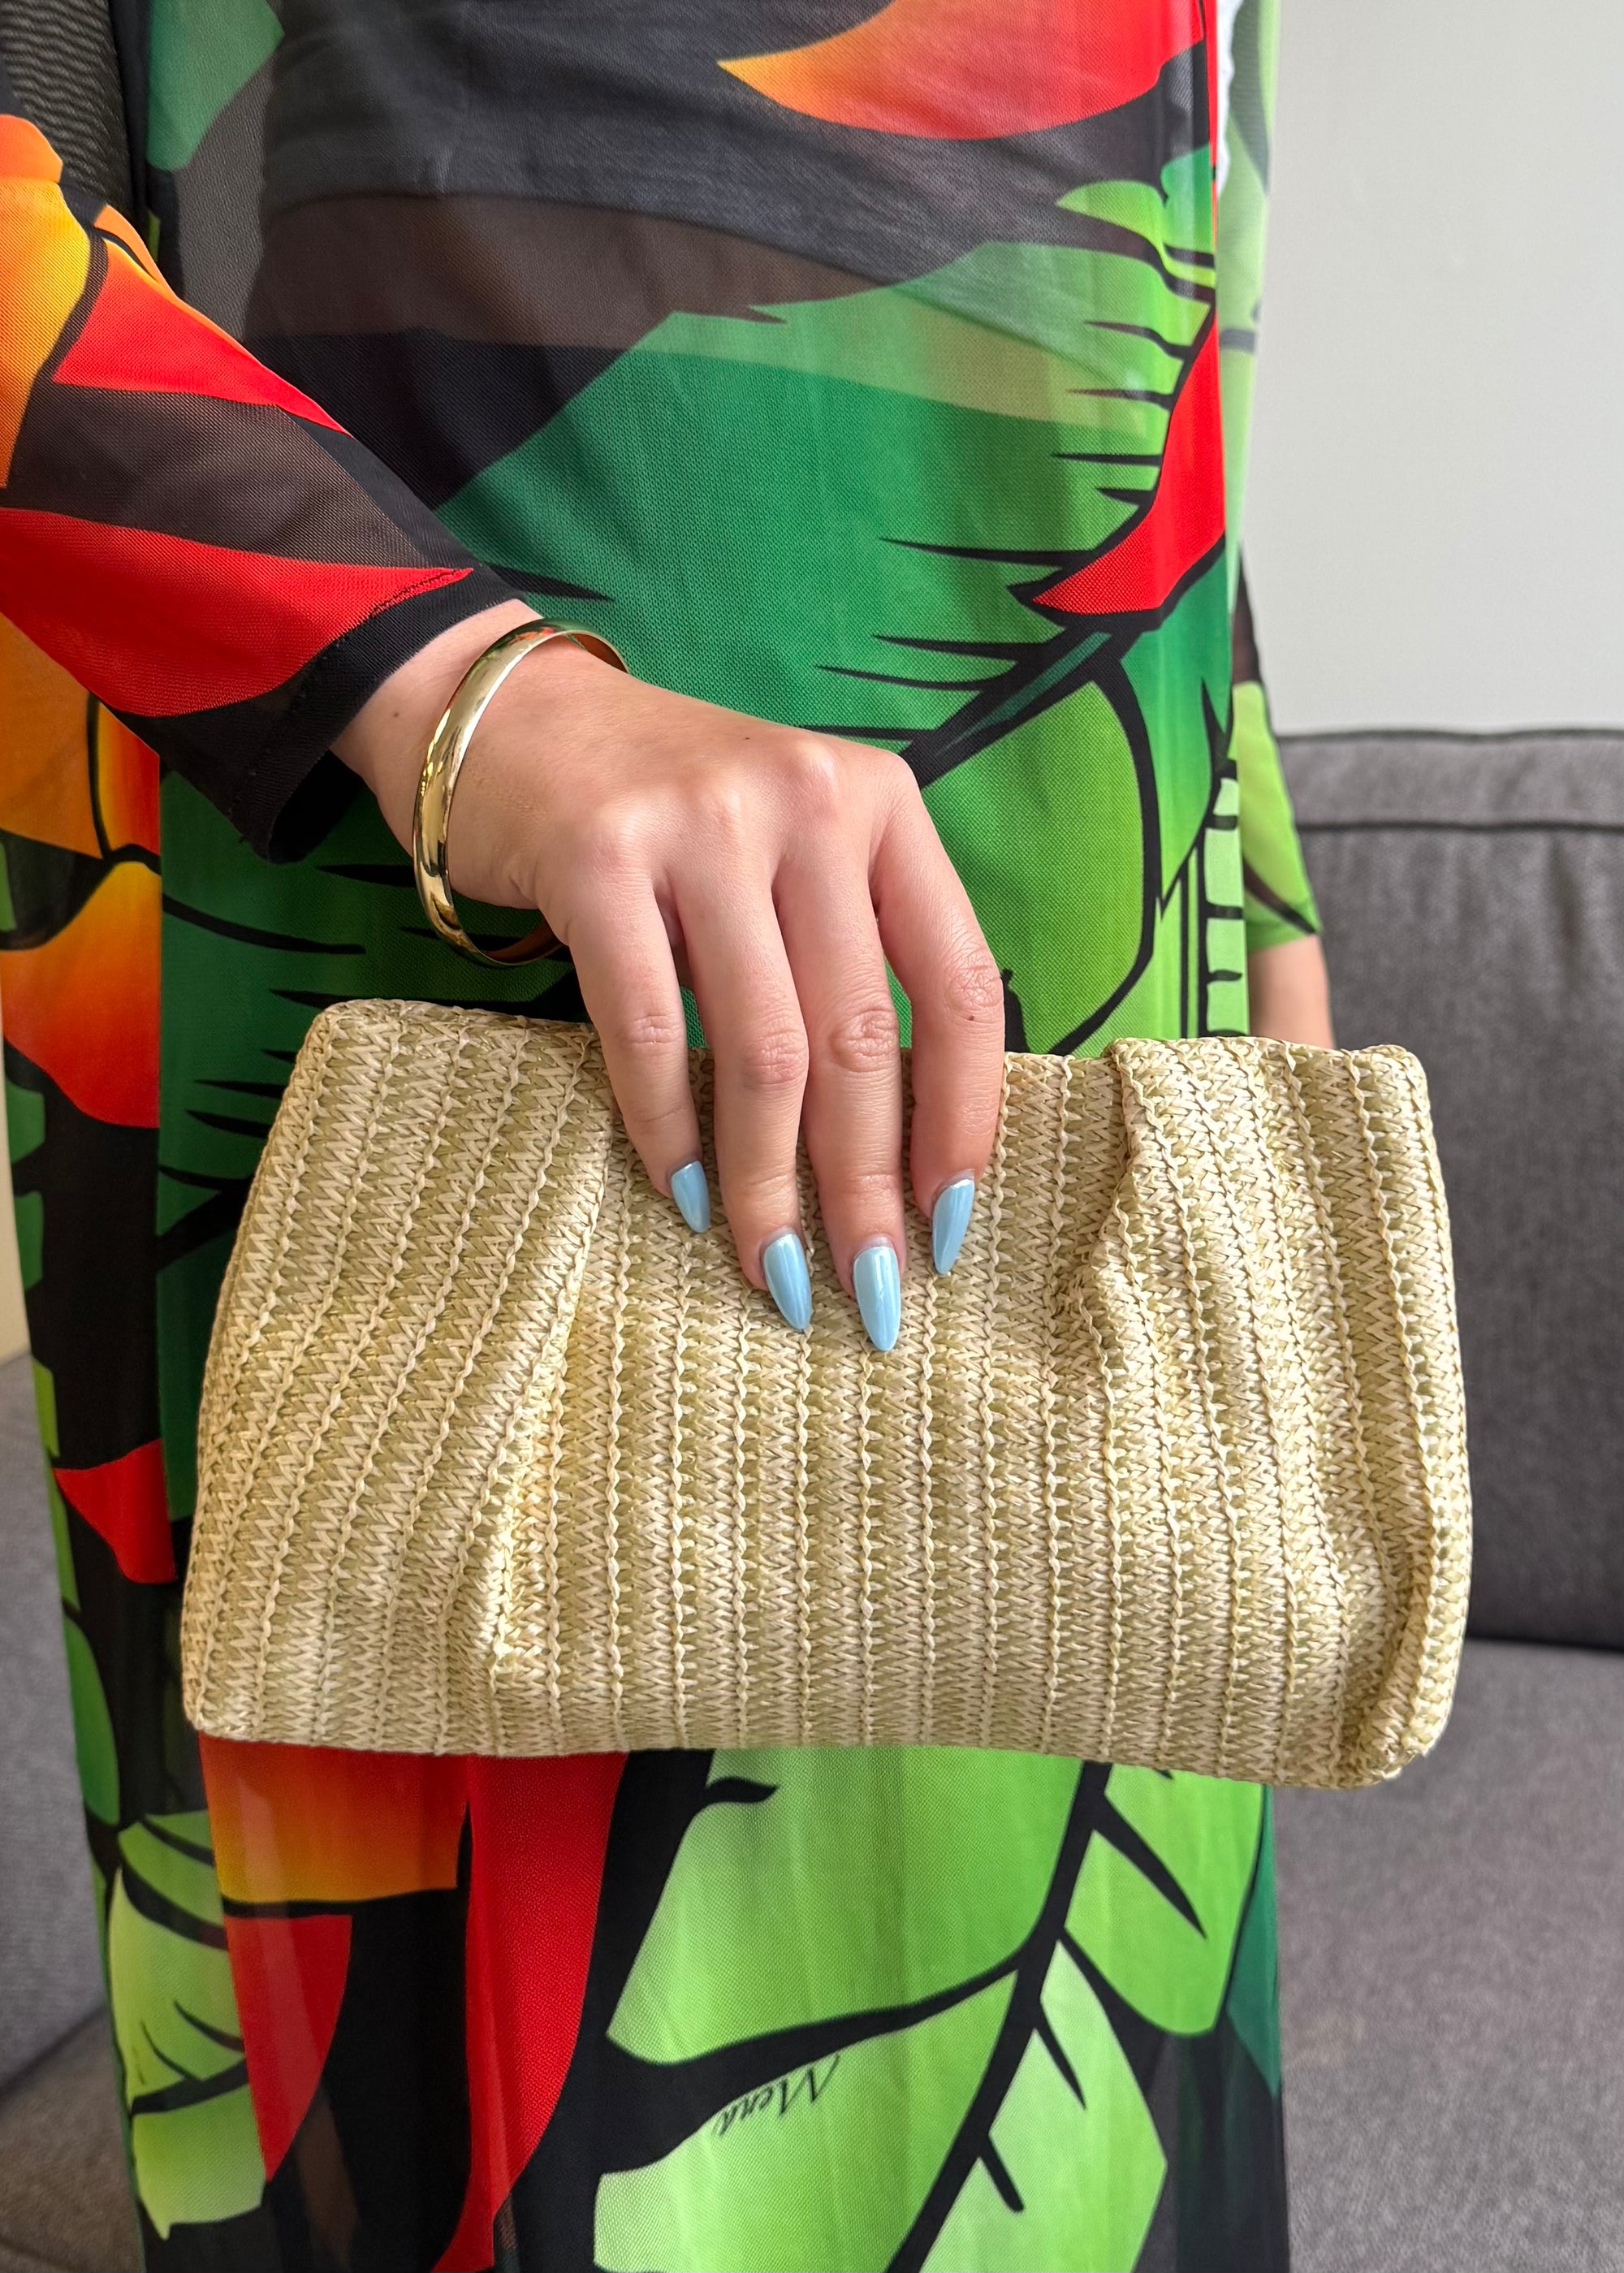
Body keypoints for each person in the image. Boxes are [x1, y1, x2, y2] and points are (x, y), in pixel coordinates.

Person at [0, 2, 1330, 2265]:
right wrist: (456, 690)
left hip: (1082, 1066)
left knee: (1087, 2116)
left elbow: (1152, 336)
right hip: (413, 975)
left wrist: (1260, 938)